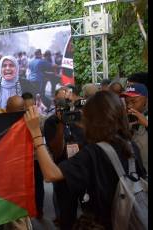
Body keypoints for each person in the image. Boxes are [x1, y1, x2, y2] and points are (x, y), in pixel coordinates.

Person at [24, 91, 147, 229]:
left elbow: (51, 174)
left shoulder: (94, 152)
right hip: (130, 220)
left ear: (93, 119)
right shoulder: (131, 145)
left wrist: (35, 133)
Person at [44, 86, 86, 230]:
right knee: (66, 213)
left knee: (87, 209)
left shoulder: (78, 118)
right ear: (55, 103)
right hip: (63, 173)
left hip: (81, 170)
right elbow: (56, 151)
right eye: (60, 102)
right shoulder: (51, 122)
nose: (64, 105)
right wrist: (62, 123)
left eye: (67, 101)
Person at [121, 83, 148, 172]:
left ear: (146, 100)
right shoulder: (125, 119)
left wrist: (146, 124)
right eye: (127, 102)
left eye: (134, 101)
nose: (129, 106)